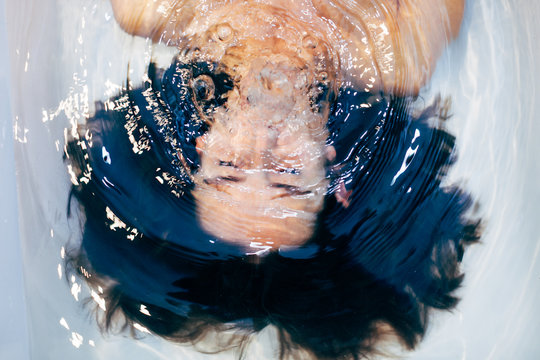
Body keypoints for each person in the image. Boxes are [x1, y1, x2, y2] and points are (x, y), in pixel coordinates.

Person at [65, 1, 479, 359]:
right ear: (333, 170)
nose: (262, 143)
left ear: (202, 149)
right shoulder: (404, 47)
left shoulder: (151, 9)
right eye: (286, 176)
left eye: (229, 169)